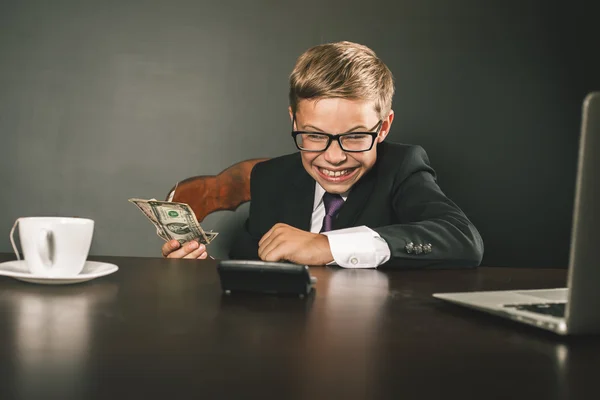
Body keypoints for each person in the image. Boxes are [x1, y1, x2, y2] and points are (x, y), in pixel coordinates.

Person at [163, 41, 483, 268]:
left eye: (355, 136)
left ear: (383, 127)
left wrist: (329, 246)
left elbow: (463, 239)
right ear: (294, 120)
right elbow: (253, 266)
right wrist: (204, 269)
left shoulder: (401, 167)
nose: (333, 157)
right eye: (315, 135)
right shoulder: (270, 177)